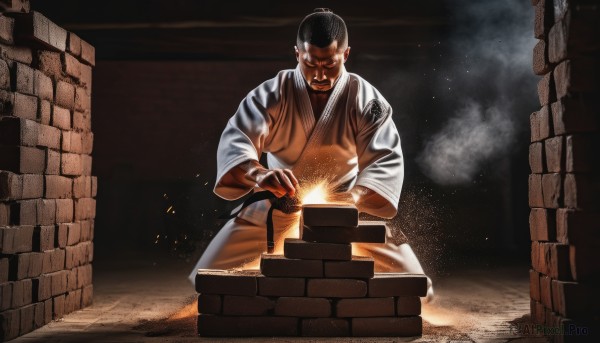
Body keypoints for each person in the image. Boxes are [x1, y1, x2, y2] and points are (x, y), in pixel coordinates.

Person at [189, 9, 433, 301]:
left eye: (329, 64)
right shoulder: (272, 94)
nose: (319, 74)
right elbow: (237, 141)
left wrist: (351, 198)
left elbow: (385, 160)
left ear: (345, 55)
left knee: (419, 287)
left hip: (346, 207)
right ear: (297, 54)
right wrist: (261, 174)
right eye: (310, 63)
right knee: (203, 279)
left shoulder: (365, 99)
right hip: (280, 203)